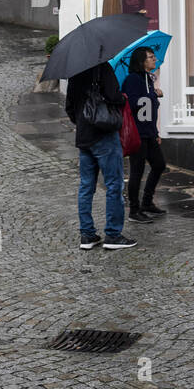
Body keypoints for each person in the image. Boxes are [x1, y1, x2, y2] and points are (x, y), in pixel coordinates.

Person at [66, 61, 135, 251]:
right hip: (103, 135)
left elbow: (69, 107)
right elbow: (114, 97)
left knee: (86, 186)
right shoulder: (103, 68)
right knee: (114, 184)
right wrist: (122, 98)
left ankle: (87, 234)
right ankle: (113, 234)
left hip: (84, 137)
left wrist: (82, 121)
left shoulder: (75, 72)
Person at [122, 47, 167, 223]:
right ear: (141, 62)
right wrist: (152, 95)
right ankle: (134, 210)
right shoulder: (132, 80)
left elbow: (149, 111)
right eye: (150, 57)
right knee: (137, 171)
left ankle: (147, 202)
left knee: (159, 165)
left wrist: (155, 131)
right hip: (137, 132)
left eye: (154, 56)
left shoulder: (147, 78)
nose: (154, 59)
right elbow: (133, 104)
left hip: (148, 132)